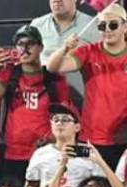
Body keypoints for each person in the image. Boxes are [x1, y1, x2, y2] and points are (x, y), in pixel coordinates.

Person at [0, 26, 69, 184]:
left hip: (44, 153)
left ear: (41, 47)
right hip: (12, 154)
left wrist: (51, 139)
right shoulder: (10, 74)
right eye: (20, 44)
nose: (25, 49)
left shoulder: (55, 80)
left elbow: (67, 117)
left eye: (30, 43)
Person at [46, 4, 127, 169]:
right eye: (102, 26)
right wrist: (65, 48)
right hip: (91, 137)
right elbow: (53, 67)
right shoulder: (89, 52)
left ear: (125, 26)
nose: (107, 30)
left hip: (122, 138)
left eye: (113, 25)